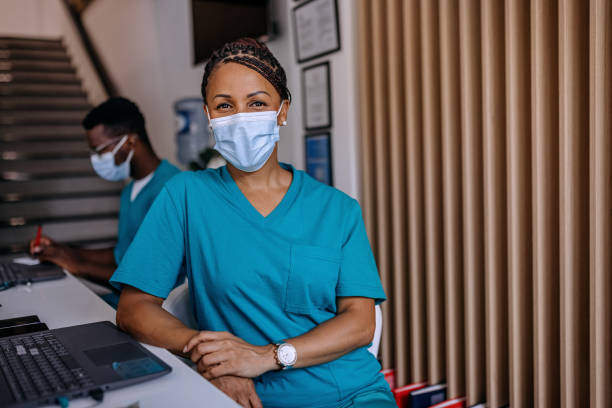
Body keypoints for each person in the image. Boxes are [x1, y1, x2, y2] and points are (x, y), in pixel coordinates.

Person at [111, 39, 395, 408]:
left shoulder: (338, 209)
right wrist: (215, 360)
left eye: (257, 103)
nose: (240, 117)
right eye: (225, 105)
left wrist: (268, 356)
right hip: (249, 397)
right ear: (209, 116)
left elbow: (360, 323)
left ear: (282, 111)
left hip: (352, 391)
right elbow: (133, 309)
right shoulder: (185, 196)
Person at [29, 97, 181, 308]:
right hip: (121, 303)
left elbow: (147, 277)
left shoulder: (172, 189)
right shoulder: (130, 190)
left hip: (151, 311)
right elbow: (124, 254)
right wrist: (63, 251)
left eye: (99, 151)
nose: (96, 159)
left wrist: (79, 266)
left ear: (129, 142)